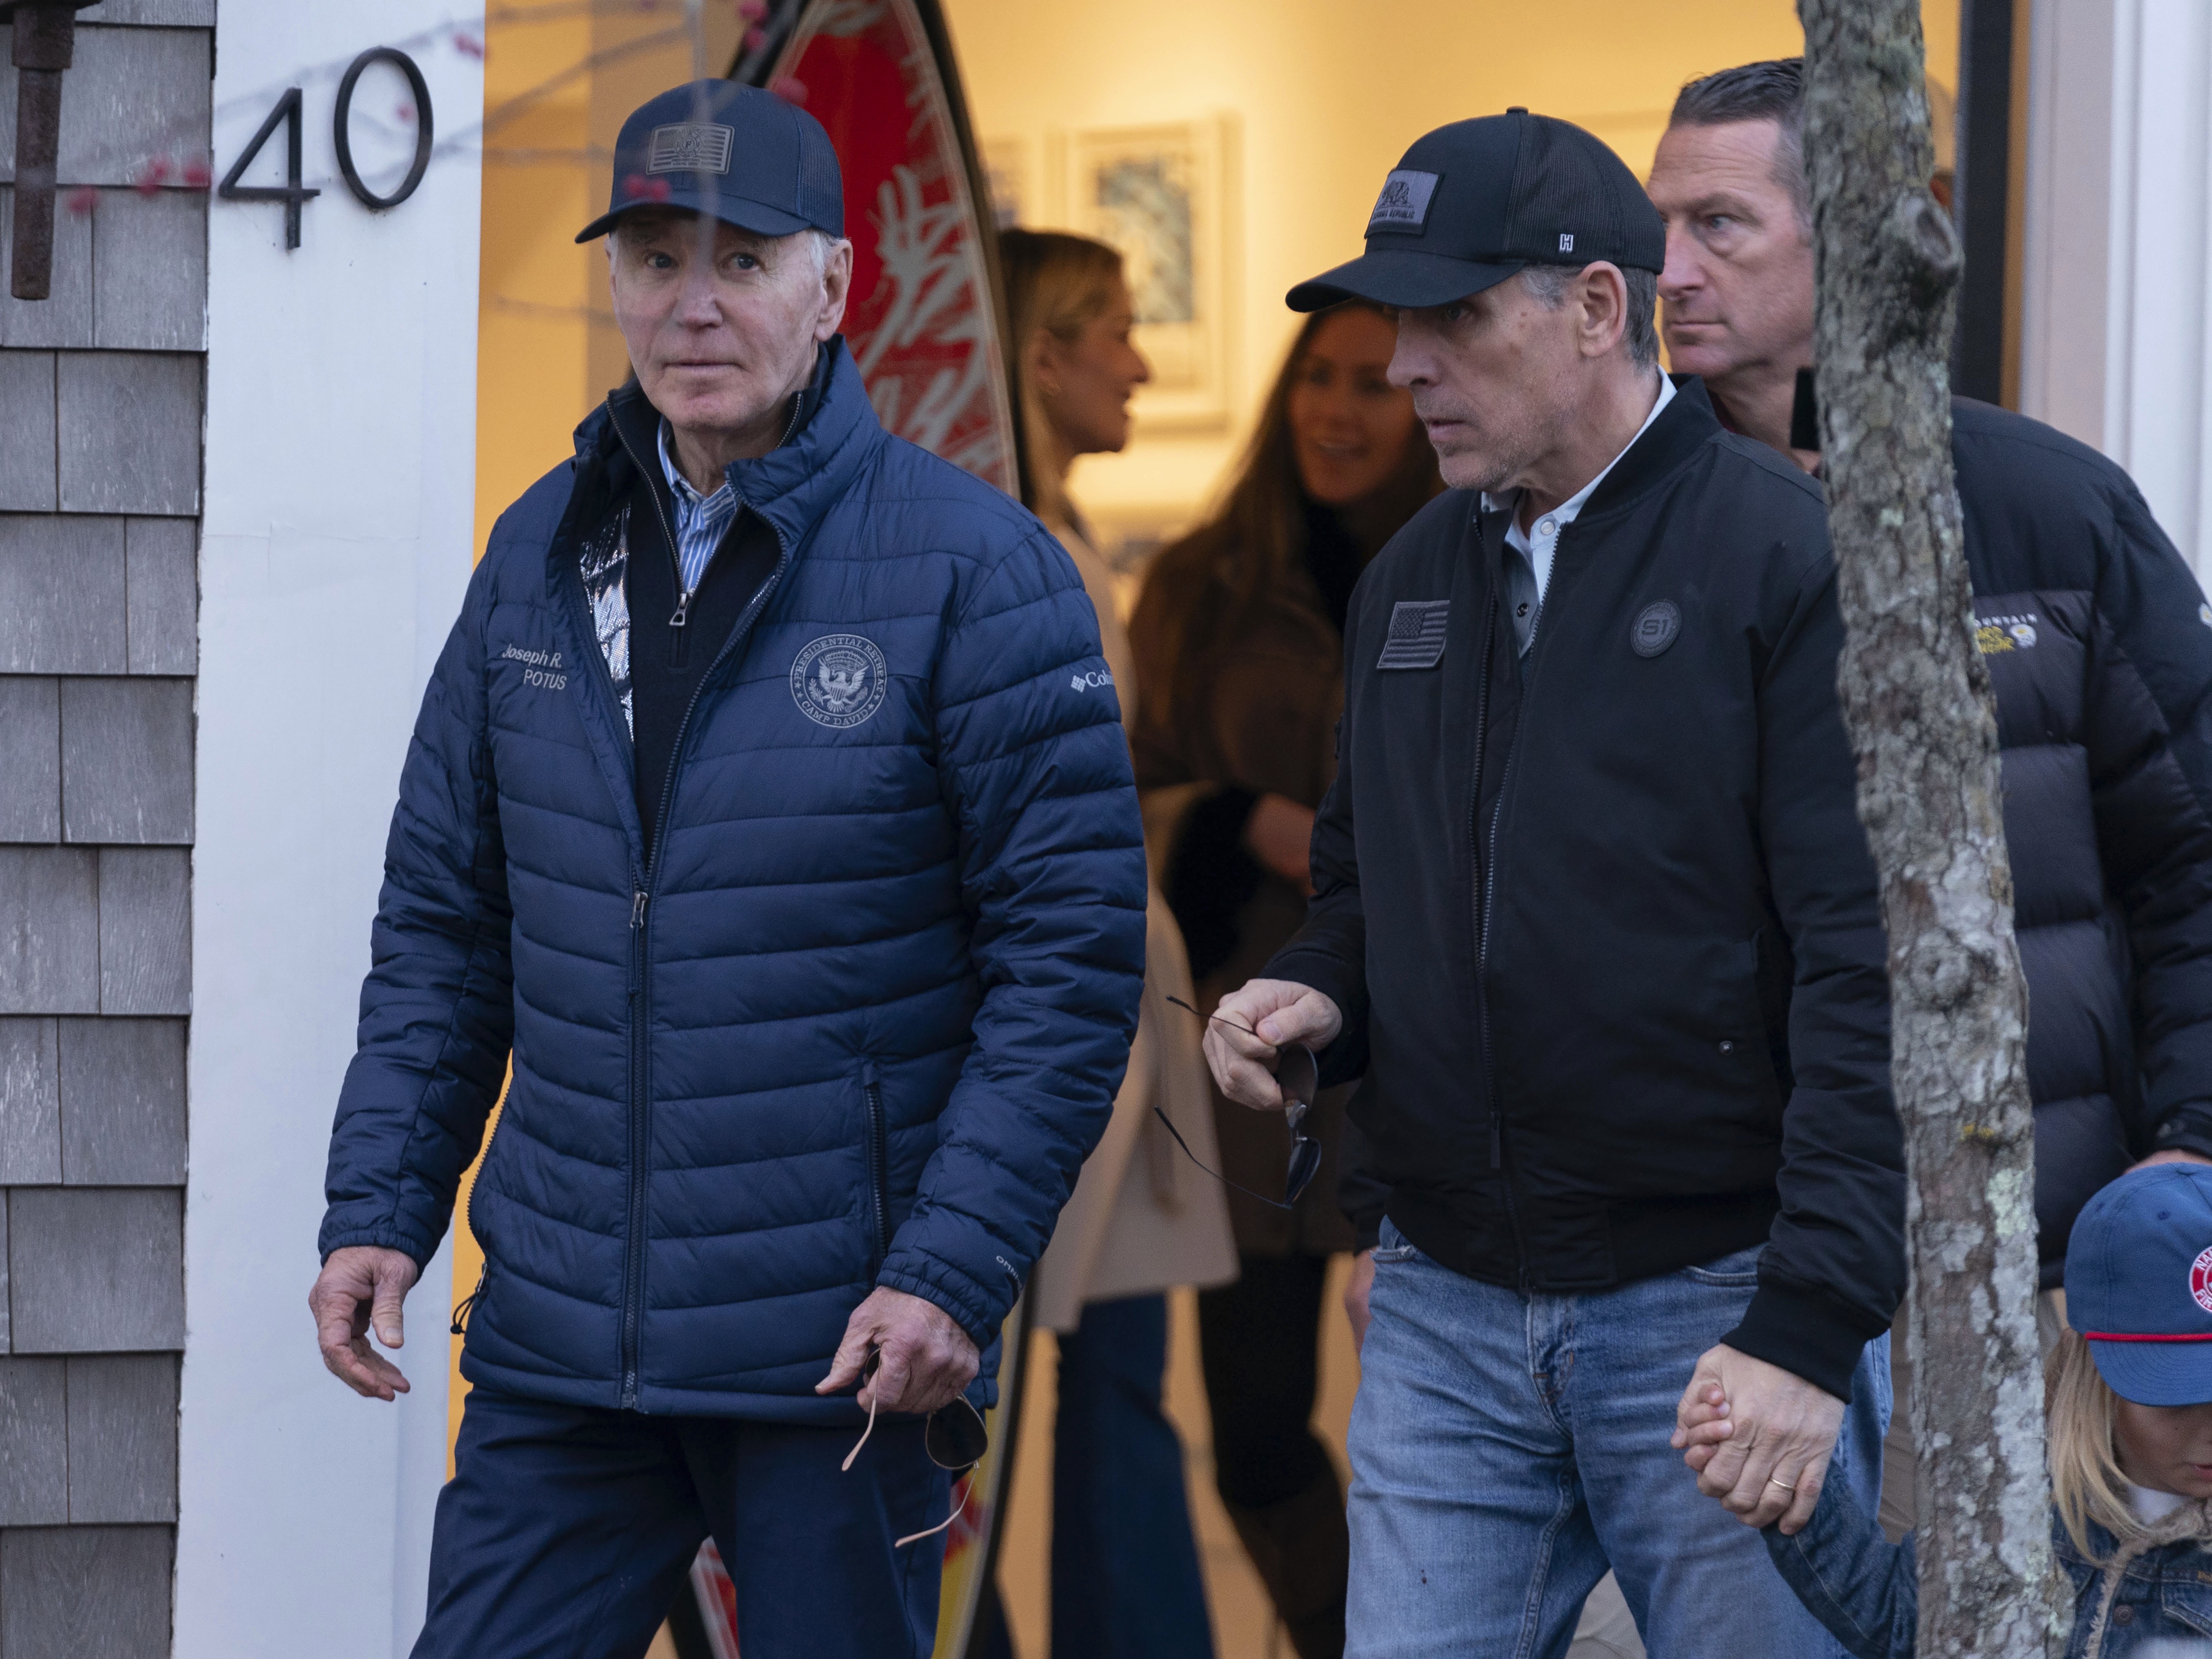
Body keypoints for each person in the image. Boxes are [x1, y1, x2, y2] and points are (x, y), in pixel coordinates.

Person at [305, 82, 1149, 1659]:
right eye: (651, 258)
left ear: (834, 286)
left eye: (742, 261)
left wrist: (951, 1273)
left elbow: (1069, 968)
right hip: (562, 1344)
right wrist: (383, 1204)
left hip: (835, 1353)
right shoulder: (536, 554)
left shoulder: (978, 574)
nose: (692, 305)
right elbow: (446, 924)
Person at [1200, 109, 1903, 1657]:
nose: (1402, 370)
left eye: (1449, 318)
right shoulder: (1407, 583)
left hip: (1711, 1307)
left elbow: (1876, 976)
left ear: (1595, 307)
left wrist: (1808, 1324)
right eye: (1395, 325)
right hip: (1446, 1306)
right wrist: (1315, 993)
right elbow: (1363, 888)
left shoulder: (1783, 559)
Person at [1652, 56, 2212, 1530]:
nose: (1667, 271)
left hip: (2031, 1267)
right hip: (1721, 1276)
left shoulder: (2055, 512)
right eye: (1658, 229)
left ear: (1865, 231)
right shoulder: (1627, 541)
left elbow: (2195, 862)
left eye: (1718, 225)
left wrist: (2192, 1143)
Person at [1127, 298, 1438, 1659]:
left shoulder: (1469, 561)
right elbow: (1115, 791)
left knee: (1430, 1426)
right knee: (1251, 1434)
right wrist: (1235, 818)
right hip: (1244, 1049)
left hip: (1423, 1046)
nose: (1336, 407)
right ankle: (1334, 1634)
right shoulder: (1199, 580)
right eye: (1315, 376)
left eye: (1373, 383)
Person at [983, 224, 1236, 1659]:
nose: (1141, 363)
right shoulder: (1028, 555)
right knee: (1068, 1375)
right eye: (1117, 332)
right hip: (1068, 1009)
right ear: (1044, 356)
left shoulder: (1052, 540)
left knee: (1105, 1372)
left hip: (1108, 995)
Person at [1677, 1163, 2212, 1654]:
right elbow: (1907, 1625)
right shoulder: (2012, 1496)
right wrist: (1774, 1466)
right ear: (2084, 1369)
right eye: (2180, 1399)